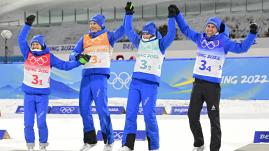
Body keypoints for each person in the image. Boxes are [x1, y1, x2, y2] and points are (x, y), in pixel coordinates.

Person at [168, 4, 258, 151]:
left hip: (212, 88)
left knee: (214, 120)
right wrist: (177, 14)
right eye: (208, 26)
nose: (209, 29)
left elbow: (242, 48)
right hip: (197, 85)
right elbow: (185, 29)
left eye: (212, 27)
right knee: (192, 116)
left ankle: (214, 149)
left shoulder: (224, 42)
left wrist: (252, 34)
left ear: (217, 29)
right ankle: (199, 143)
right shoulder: (200, 38)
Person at [18, 15, 89, 151]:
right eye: (32, 44)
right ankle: (30, 145)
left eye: (36, 44)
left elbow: (65, 66)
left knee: (41, 122)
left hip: (42, 97)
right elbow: (21, 39)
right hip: (28, 96)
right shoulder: (28, 54)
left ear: (43, 45)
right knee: (28, 123)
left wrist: (80, 62)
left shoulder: (49, 57)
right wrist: (27, 25)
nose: (34, 46)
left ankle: (43, 145)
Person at [118, 2, 176, 151]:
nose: (143, 35)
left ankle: (154, 146)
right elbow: (128, 29)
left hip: (150, 85)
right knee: (130, 113)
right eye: (143, 33)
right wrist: (128, 14)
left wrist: (171, 17)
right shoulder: (139, 42)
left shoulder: (160, 44)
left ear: (153, 33)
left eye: (146, 33)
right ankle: (127, 145)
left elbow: (171, 34)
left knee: (149, 116)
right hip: (135, 83)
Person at [69, 14, 125, 151]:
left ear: (101, 24)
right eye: (90, 23)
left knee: (101, 109)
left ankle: (109, 140)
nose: (92, 25)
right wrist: (78, 56)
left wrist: (128, 15)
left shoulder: (109, 36)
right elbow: (72, 54)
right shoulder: (85, 38)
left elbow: (124, 29)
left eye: (94, 23)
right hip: (86, 77)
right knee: (84, 109)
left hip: (100, 77)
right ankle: (90, 140)